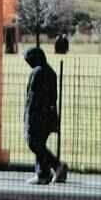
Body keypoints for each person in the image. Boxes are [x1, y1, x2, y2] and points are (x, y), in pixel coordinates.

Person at [23, 47, 66, 185]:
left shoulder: (37, 73)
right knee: (39, 143)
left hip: (37, 115)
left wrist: (29, 116)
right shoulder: (50, 72)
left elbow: (32, 97)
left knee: (34, 143)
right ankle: (43, 174)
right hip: (49, 114)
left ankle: (57, 166)